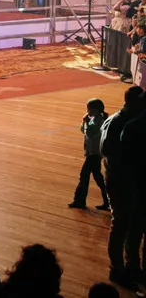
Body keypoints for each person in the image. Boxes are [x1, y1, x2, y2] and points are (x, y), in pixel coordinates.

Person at [103, 86, 144, 286]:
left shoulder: (128, 120)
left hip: (128, 180)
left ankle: (132, 267)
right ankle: (117, 269)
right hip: (120, 181)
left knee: (133, 225)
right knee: (121, 224)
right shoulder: (118, 122)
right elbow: (108, 152)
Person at [70, 99, 111, 212]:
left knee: (84, 175)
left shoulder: (99, 121)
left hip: (94, 154)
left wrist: (86, 123)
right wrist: (85, 122)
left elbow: (91, 134)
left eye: (89, 109)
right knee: (98, 178)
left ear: (96, 110)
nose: (87, 111)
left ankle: (79, 200)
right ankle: (108, 200)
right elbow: (83, 130)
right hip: (93, 153)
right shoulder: (95, 120)